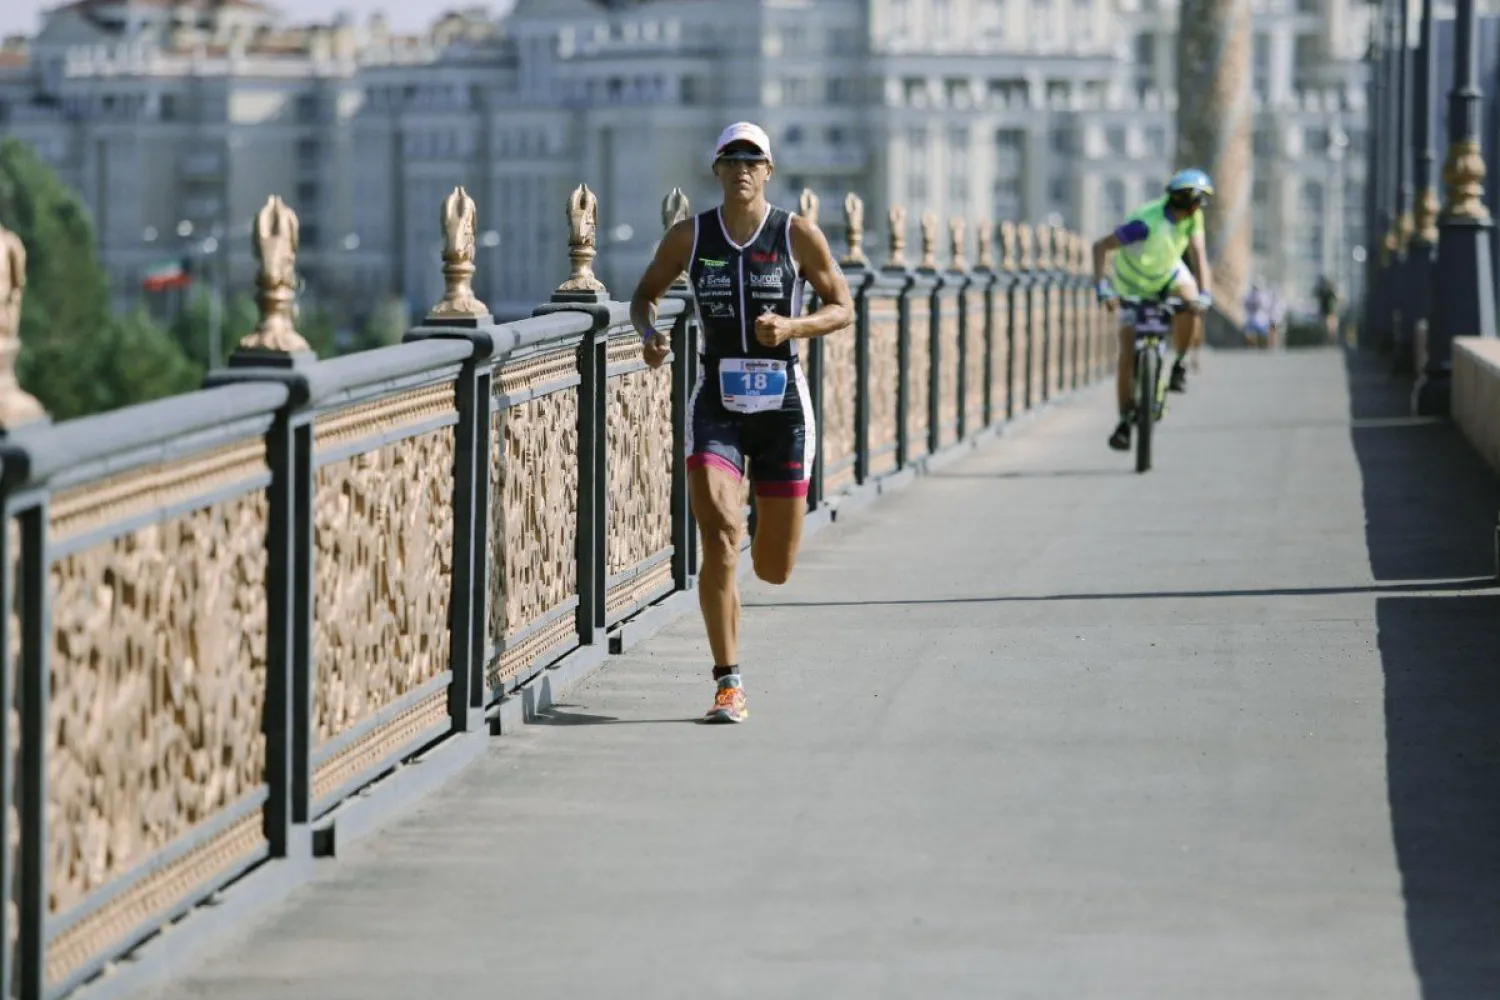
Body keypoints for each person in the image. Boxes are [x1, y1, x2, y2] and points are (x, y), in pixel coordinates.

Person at [629, 123, 853, 724]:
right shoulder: (690, 235)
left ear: (769, 172)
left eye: (754, 160)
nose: (743, 169)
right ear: (717, 170)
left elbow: (843, 307)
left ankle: (757, 516)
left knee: (773, 567)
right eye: (732, 160)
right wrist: (650, 335)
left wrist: (792, 328)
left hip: (782, 405)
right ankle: (728, 681)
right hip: (717, 401)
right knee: (719, 535)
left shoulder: (796, 234)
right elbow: (643, 295)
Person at [1091, 168, 1216, 452]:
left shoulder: (1192, 218)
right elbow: (1100, 247)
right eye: (1200, 202)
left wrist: (1205, 294)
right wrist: (1102, 289)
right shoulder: (1144, 223)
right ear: (1188, 201)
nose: (1202, 208)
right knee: (1127, 352)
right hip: (1131, 283)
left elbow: (1199, 255)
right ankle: (1124, 422)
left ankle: (1180, 363)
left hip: (1166, 274)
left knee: (1190, 301)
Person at [1244, 280, 1275, 349]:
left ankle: (1258, 346)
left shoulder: (1248, 296)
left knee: (1254, 334)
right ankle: (1260, 346)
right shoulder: (1262, 296)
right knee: (1259, 334)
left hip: (1254, 318)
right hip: (1260, 319)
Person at [1314, 275, 1340, 344]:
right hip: (1327, 312)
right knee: (1328, 327)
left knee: (1330, 327)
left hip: (1329, 312)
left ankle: (1330, 340)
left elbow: (1336, 300)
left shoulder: (1328, 292)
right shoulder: (1325, 292)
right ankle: (1328, 340)